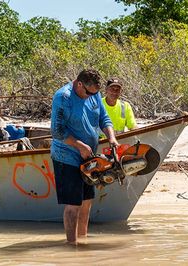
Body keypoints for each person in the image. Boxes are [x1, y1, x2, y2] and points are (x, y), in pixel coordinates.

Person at [50, 69, 118, 245]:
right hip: (67, 155)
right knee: (74, 204)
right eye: (88, 93)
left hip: (89, 157)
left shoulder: (93, 93)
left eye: (94, 94)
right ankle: (71, 245)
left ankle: (83, 240)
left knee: (87, 201)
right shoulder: (63, 97)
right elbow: (57, 131)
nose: (90, 97)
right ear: (79, 84)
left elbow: (104, 118)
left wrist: (111, 137)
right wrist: (79, 146)